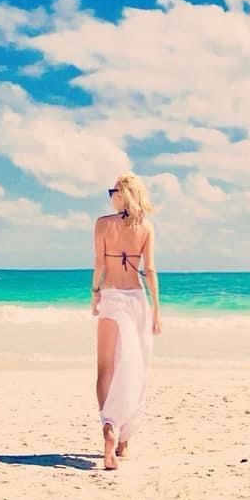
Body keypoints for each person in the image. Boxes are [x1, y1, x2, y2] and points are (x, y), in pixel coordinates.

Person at [90, 172, 162, 470]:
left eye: (113, 191)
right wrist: (156, 310)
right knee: (135, 368)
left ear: (122, 195)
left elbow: (98, 263)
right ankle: (123, 441)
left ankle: (109, 425)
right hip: (136, 300)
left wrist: (94, 294)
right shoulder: (146, 227)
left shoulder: (102, 224)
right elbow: (150, 271)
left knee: (106, 367)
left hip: (111, 296)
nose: (111, 196)